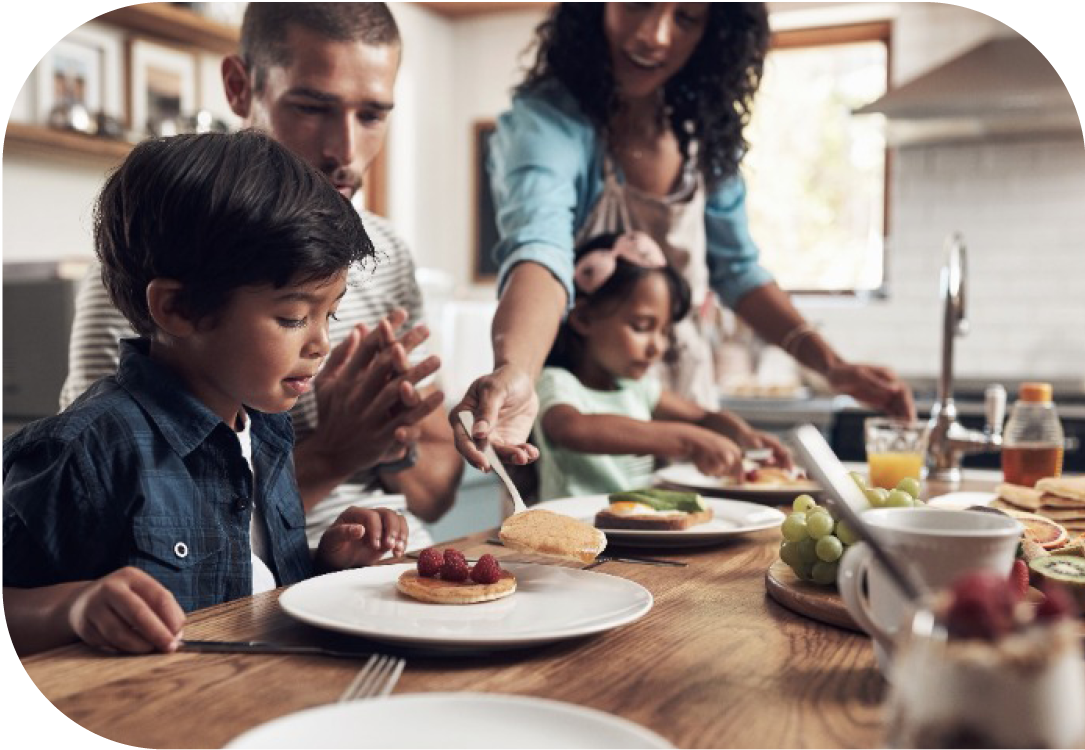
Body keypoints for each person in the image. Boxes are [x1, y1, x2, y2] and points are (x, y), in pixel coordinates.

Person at [60, 3, 462, 550]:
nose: (344, 150)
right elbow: (108, 506)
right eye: (312, 107)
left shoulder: (384, 252)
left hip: (389, 556)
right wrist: (336, 451)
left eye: (372, 115)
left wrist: (389, 437)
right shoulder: (165, 262)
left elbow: (436, 490)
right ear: (239, 86)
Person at [452, 3, 916, 470]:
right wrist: (517, 369)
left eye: (687, 18)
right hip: (581, 434)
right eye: (638, 2)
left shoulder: (703, 136)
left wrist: (830, 366)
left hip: (683, 397)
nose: (655, 34)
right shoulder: (548, 121)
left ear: (714, 33)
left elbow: (738, 270)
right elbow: (540, 248)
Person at [3, 131, 410, 657]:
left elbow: (249, 581)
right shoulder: (86, 450)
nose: (321, 343)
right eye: (292, 318)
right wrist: (74, 608)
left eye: (328, 314)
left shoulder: (263, 426)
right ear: (178, 309)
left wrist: (328, 562)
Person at [535, 231, 791, 500]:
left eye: (665, 332)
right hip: (570, 536)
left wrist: (743, 434)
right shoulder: (555, 382)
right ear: (584, 318)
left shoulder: (638, 387)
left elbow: (702, 417)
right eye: (642, 327)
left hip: (632, 530)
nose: (657, 346)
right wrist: (688, 441)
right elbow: (572, 429)